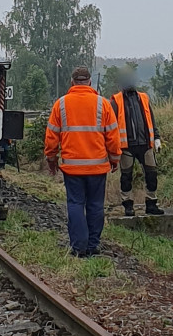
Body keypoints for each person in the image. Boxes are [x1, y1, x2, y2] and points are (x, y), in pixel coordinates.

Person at [44, 65, 120, 258]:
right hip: (97, 167)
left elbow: (52, 136)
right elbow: (112, 136)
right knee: (95, 205)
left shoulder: (60, 104)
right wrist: (115, 158)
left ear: (72, 82)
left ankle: (79, 247)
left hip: (72, 167)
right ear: (90, 82)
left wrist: (51, 158)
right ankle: (93, 245)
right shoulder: (103, 104)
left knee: (75, 204)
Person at [110, 78, 163, 217]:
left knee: (152, 174)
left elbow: (151, 119)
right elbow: (111, 124)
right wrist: (112, 146)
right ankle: (128, 205)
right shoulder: (116, 101)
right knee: (126, 176)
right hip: (126, 146)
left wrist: (156, 137)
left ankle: (151, 203)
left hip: (146, 144)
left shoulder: (144, 98)